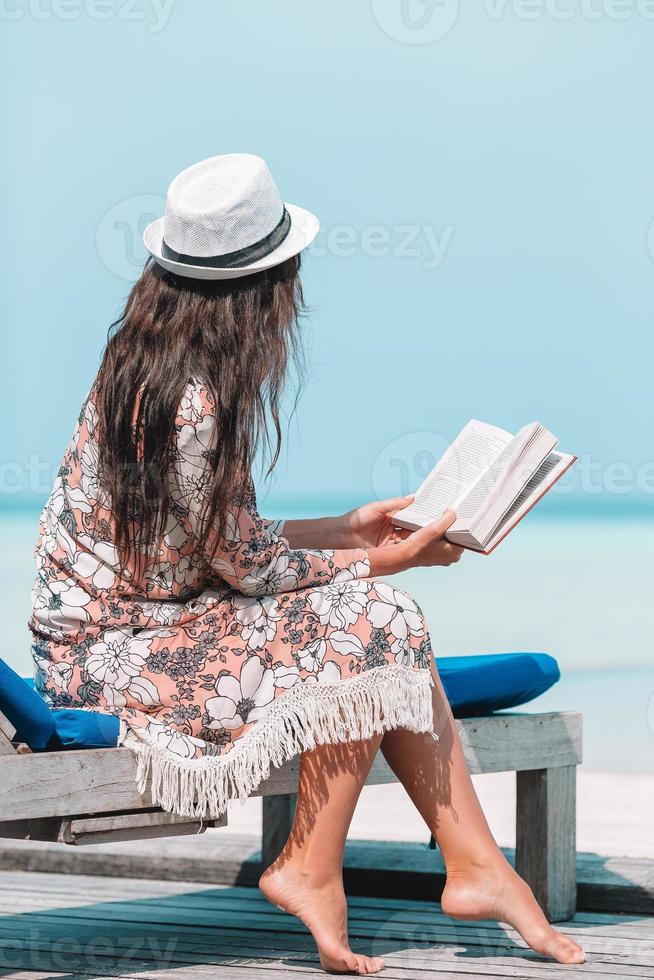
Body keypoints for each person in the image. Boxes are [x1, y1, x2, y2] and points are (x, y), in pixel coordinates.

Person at [30, 153, 584, 975]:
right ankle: (371, 868)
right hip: (116, 662)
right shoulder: (190, 402)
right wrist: (390, 562)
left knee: (374, 625)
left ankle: (447, 869)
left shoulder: (150, 369)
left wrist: (349, 528)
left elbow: (213, 542)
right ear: (264, 286)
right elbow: (247, 569)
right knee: (374, 622)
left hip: (150, 629)